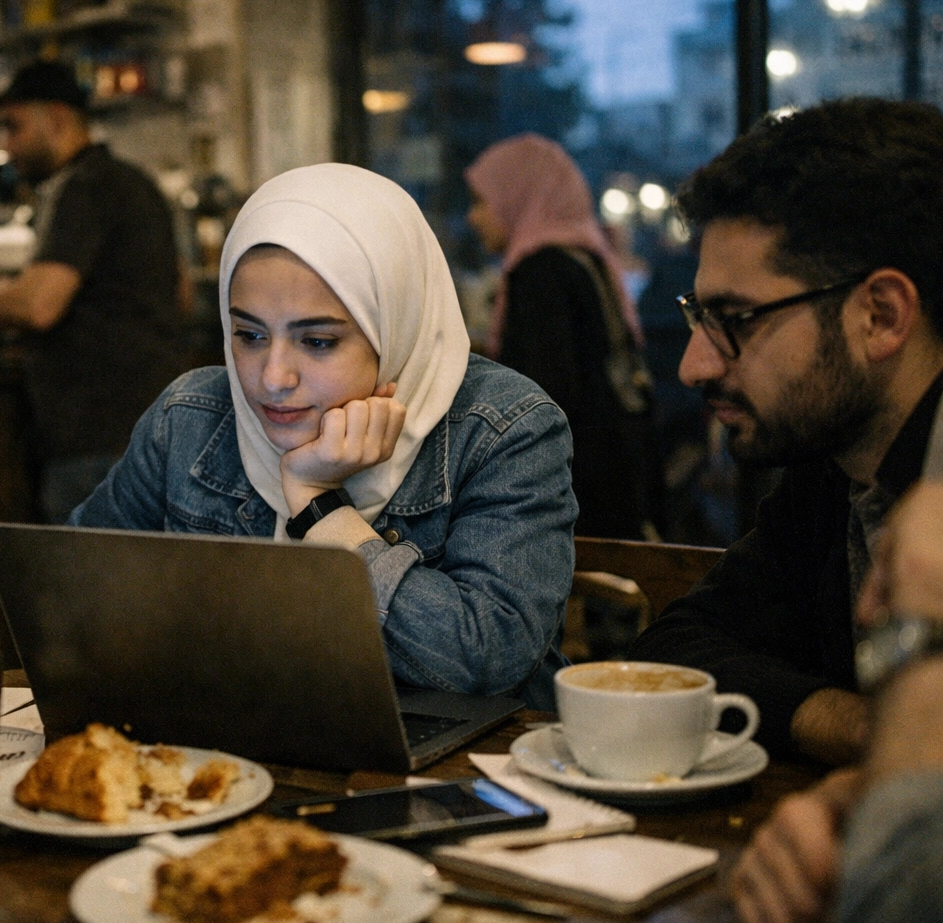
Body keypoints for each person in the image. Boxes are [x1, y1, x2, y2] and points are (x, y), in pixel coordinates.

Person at [68, 163, 577, 706]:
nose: (272, 378)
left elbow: (488, 659)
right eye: (249, 334)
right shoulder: (189, 417)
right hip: (231, 761)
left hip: (456, 773)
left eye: (317, 342)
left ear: (394, 326)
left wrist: (320, 509)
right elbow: (70, 593)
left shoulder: (505, 428)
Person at [626, 98, 943, 765]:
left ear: (881, 316)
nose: (694, 365)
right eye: (698, 318)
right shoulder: (837, 470)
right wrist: (860, 728)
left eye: (736, 318)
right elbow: (678, 646)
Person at [0, 60, 185, 522]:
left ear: (57, 119)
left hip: (97, 445)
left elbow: (39, 305)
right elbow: (180, 292)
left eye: (13, 127)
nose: (5, 145)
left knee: (87, 590)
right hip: (145, 432)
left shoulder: (84, 186)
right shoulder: (131, 180)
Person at [730, 481, 943, 923]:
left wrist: (921, 633)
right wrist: (861, 796)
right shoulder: (826, 486)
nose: (867, 609)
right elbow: (679, 636)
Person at [465, 134, 658, 540]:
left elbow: (544, 395)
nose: (473, 217)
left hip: (572, 494)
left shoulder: (540, 273)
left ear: (519, 197)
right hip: (610, 475)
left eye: (482, 201)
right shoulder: (582, 257)